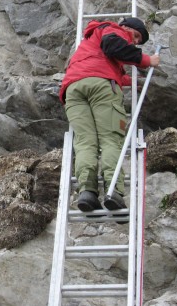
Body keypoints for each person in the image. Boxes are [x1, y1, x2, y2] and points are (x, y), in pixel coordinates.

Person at [59, 17, 160, 213]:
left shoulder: (90, 41)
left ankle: (87, 192)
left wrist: (131, 81)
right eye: (137, 36)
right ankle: (113, 190)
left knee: (85, 142)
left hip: (73, 89)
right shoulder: (114, 30)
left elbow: (100, 66)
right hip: (101, 88)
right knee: (110, 140)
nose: (136, 42)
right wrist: (147, 60)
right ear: (126, 27)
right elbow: (113, 46)